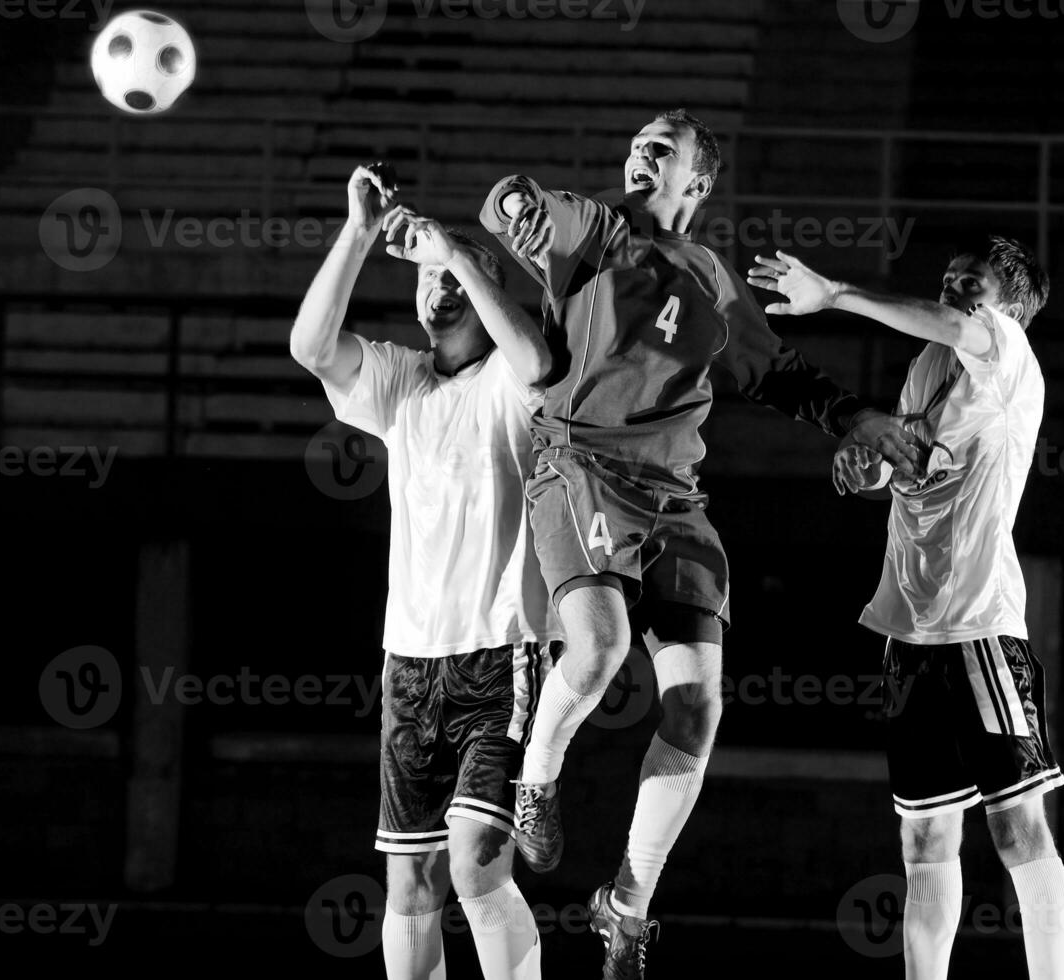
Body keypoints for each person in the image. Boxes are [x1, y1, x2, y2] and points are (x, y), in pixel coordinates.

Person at [478, 109, 923, 978]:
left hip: (676, 501)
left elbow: (778, 374)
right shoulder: (599, 232)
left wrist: (857, 418)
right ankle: (536, 777)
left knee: (698, 707)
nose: (641, 153)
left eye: (662, 148)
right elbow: (518, 208)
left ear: (699, 183)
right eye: (637, 142)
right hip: (580, 466)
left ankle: (627, 904)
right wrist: (513, 205)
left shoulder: (713, 278)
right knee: (601, 648)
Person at [748, 237, 1064, 980]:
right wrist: (864, 462)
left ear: (1011, 310)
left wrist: (833, 294)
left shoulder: (1006, 352)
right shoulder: (929, 366)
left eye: (975, 284)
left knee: (1020, 831)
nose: (957, 288)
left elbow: (951, 325)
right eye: (950, 275)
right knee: (923, 843)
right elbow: (906, 461)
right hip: (910, 632)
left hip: (982, 629)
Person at [289, 163, 563, 980]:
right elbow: (311, 346)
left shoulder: (513, 380)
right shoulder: (403, 380)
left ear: (483, 285)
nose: (437, 290)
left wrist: (458, 250)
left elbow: (539, 363)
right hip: (409, 663)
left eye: (455, 277)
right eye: (428, 279)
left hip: (501, 653)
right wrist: (360, 230)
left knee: (479, 861)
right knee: (409, 879)